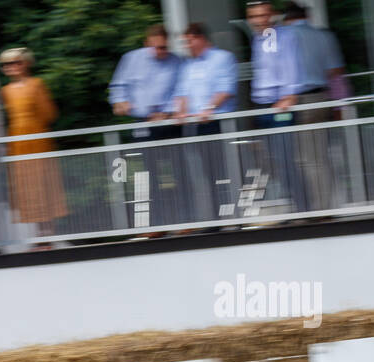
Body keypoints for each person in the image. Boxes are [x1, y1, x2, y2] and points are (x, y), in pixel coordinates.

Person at [108, 25, 183, 226]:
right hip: (143, 123)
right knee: (148, 175)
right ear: (147, 44)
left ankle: (185, 221)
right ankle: (156, 224)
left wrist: (166, 112)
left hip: (170, 122)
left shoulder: (176, 61)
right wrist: (120, 102)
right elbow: (118, 86)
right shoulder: (131, 59)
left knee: (180, 171)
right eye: (157, 47)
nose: (161, 51)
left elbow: (182, 89)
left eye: (164, 47)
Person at [171, 22, 239, 225]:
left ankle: (235, 218)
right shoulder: (188, 65)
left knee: (226, 171)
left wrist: (209, 108)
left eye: (189, 41)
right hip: (195, 126)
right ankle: (213, 221)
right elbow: (181, 93)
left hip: (218, 123)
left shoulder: (223, 58)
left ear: (200, 38)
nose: (187, 46)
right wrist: (180, 111)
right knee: (203, 175)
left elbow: (226, 89)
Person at [0, 47, 68, 241]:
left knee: (43, 181)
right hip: (17, 141)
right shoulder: (5, 91)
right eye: (6, 64)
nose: (11, 67)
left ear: (25, 64)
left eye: (15, 63)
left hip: (37, 138)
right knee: (26, 184)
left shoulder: (36, 84)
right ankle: (38, 233)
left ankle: (49, 231)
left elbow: (49, 113)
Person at [246, 2, 307, 215]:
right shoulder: (257, 39)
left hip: (279, 105)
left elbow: (292, 65)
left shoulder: (284, 36)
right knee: (272, 161)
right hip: (262, 105)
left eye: (263, 15)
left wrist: (289, 96)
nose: (260, 19)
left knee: (285, 159)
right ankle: (293, 206)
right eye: (255, 16)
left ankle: (302, 209)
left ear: (272, 16)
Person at [281, 3, 341, 211]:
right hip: (322, 97)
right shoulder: (323, 35)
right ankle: (326, 205)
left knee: (305, 159)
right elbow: (334, 70)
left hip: (297, 101)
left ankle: (316, 208)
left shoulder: (284, 37)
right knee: (320, 157)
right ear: (306, 15)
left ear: (286, 18)